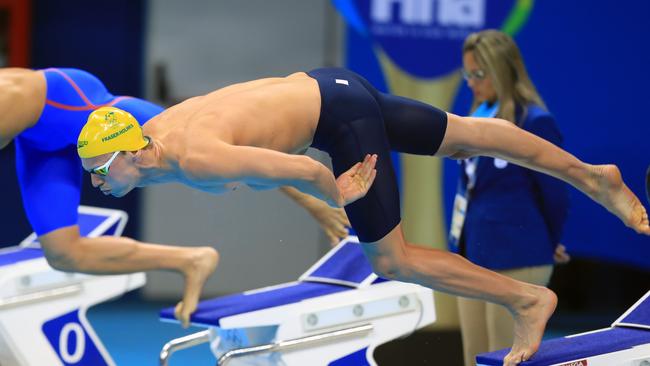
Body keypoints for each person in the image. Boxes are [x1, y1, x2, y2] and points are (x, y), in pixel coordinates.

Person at [77, 67, 649, 366]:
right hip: (328, 88)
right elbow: (262, 165)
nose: (97, 182)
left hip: (337, 120)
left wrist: (338, 192)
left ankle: (527, 300)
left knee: (391, 259)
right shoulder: (150, 135)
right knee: (465, 136)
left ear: (130, 154)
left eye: (100, 171)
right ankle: (593, 175)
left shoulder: (193, 156)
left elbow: (296, 171)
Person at [0, 67, 349, 329]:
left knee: (210, 151)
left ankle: (311, 198)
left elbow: (237, 156)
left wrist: (311, 200)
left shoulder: (6, 97)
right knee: (63, 254)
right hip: (40, 145)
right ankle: (190, 260)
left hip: (86, 110)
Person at [448, 30, 573, 366]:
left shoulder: (534, 121)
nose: (471, 83)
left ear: (502, 71)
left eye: (479, 75)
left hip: (517, 253)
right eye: (467, 74)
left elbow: (555, 193)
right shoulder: (474, 117)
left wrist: (549, 241)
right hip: (473, 254)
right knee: (474, 356)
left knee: (506, 357)